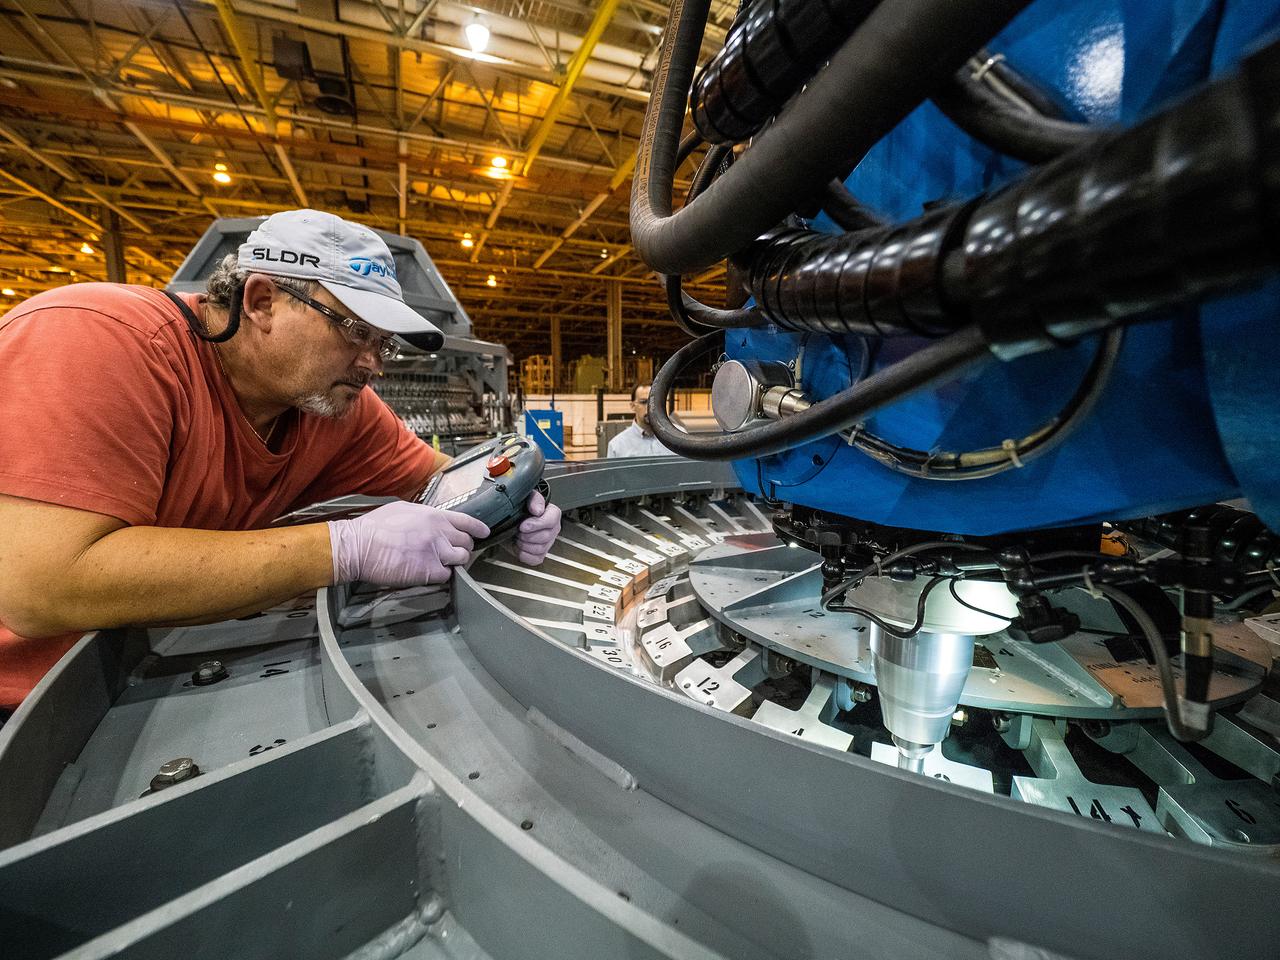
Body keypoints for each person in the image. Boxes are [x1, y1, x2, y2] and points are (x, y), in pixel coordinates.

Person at [0, 209, 561, 715]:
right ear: (262, 301)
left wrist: (511, 508)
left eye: (383, 344)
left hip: (159, 674)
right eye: (354, 330)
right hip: (32, 712)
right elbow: (43, 588)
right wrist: (344, 547)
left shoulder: (334, 409)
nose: (373, 364)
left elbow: (442, 482)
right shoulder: (102, 340)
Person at [606, 381, 678, 458]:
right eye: (643, 402)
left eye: (654, 402)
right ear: (633, 406)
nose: (650, 407)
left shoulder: (678, 437)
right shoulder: (617, 446)